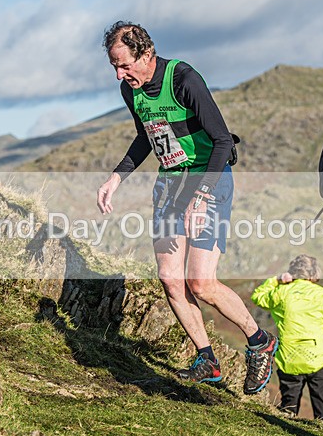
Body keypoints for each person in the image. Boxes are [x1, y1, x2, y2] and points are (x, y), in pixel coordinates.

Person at [96, 21, 277, 394]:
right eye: (114, 66)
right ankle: (207, 359)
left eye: (125, 64)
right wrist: (117, 177)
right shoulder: (129, 92)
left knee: (201, 282)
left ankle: (260, 341)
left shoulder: (182, 79)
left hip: (210, 177)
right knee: (169, 278)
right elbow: (145, 138)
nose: (120, 73)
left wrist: (202, 195)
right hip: (170, 182)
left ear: (145, 54)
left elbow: (223, 141)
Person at [251, 255, 323, 420]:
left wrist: (277, 280)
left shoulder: (280, 293)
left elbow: (258, 296)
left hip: (289, 360)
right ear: (314, 274)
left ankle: (283, 435)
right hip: (320, 360)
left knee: (287, 409)